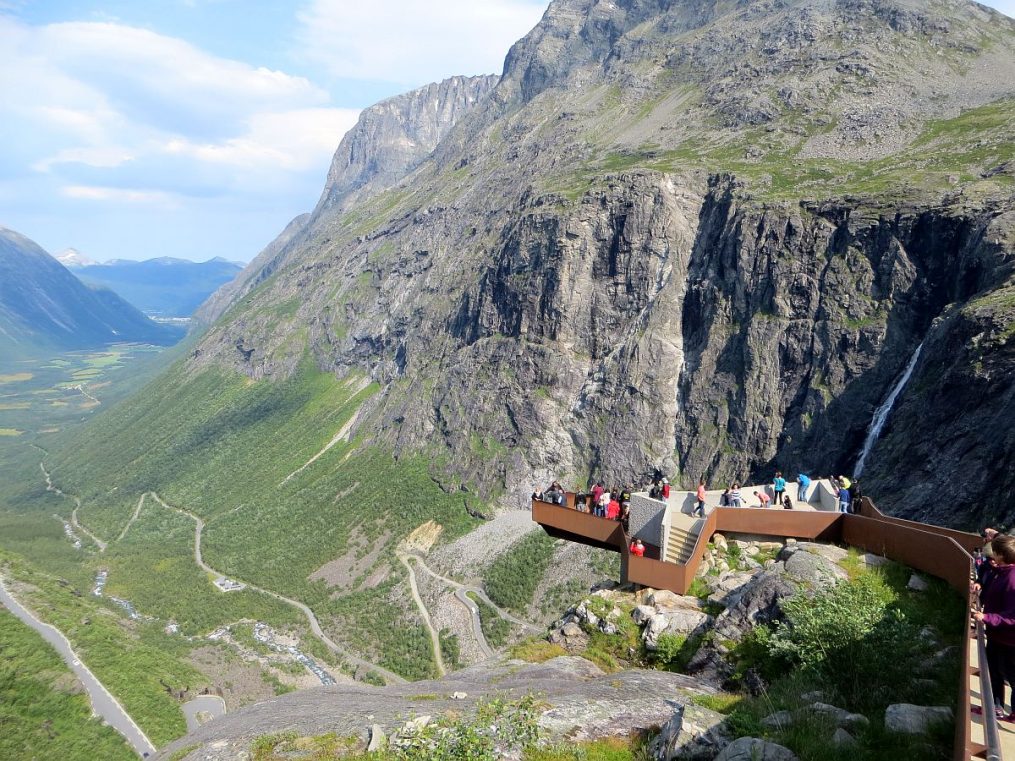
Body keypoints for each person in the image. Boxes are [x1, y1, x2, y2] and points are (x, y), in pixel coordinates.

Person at [972, 535, 1015, 721]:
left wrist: (987, 617)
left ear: (1001, 555)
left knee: (1012, 677)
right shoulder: (1002, 572)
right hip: (998, 636)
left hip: (1009, 641)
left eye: (994, 552)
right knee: (995, 673)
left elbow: (1013, 616)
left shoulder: (1012, 579)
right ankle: (995, 707)